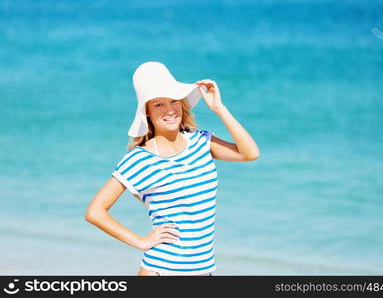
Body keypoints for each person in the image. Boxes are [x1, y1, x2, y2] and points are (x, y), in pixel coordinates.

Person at [85, 62, 259, 276]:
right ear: (146, 112)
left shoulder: (200, 141)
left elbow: (249, 153)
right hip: (162, 271)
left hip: (205, 271)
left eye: (174, 101)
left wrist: (218, 109)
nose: (169, 110)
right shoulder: (140, 159)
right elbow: (95, 212)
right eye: (158, 104)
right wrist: (141, 241)